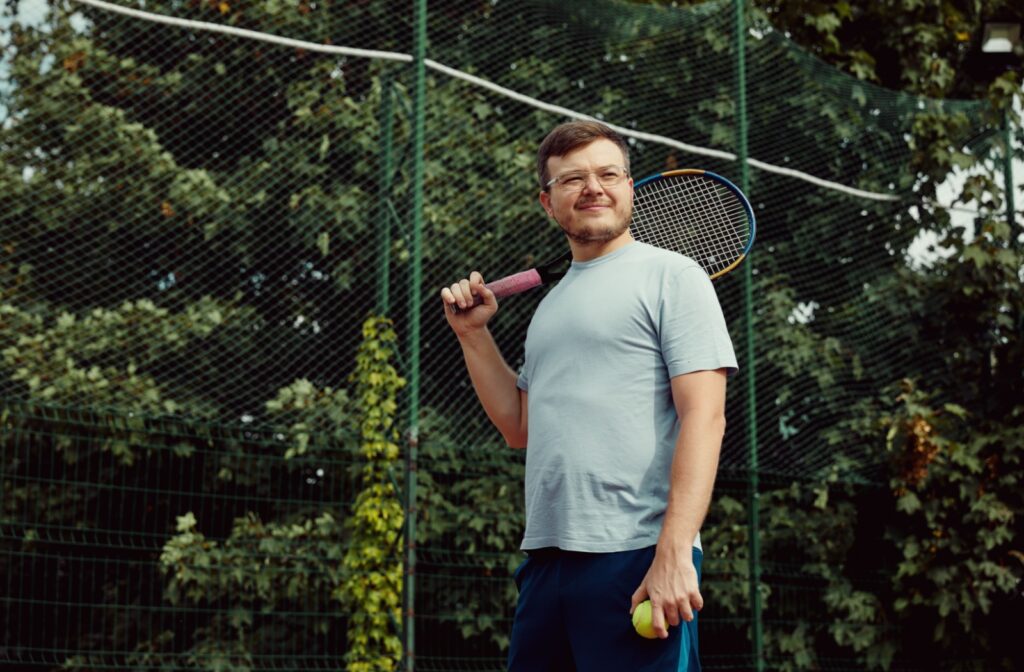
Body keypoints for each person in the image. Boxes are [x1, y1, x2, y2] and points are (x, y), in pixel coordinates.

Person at [439, 120, 737, 671]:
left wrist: (673, 552)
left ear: (629, 187)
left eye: (608, 173)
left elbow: (706, 415)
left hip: (636, 556)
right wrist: (473, 335)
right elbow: (518, 426)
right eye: (572, 179)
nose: (593, 187)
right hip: (547, 564)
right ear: (548, 203)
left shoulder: (673, 275)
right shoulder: (550, 308)